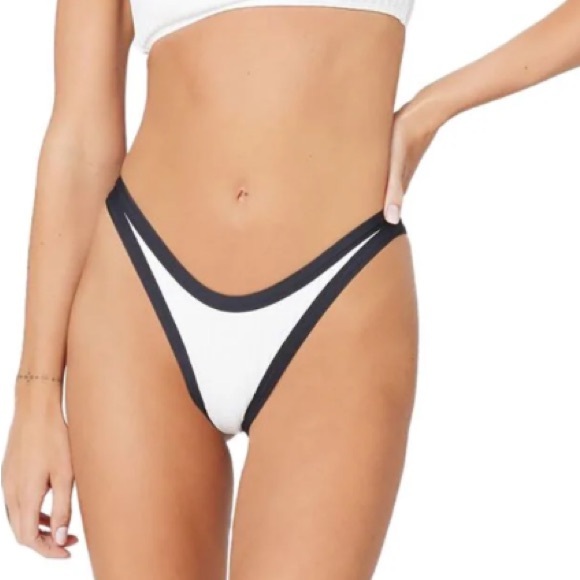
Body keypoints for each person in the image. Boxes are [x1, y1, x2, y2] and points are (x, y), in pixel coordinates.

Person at [1, 0, 579, 578]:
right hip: (137, 300)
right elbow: (80, 136)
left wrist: (434, 107)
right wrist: (36, 395)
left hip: (337, 294)